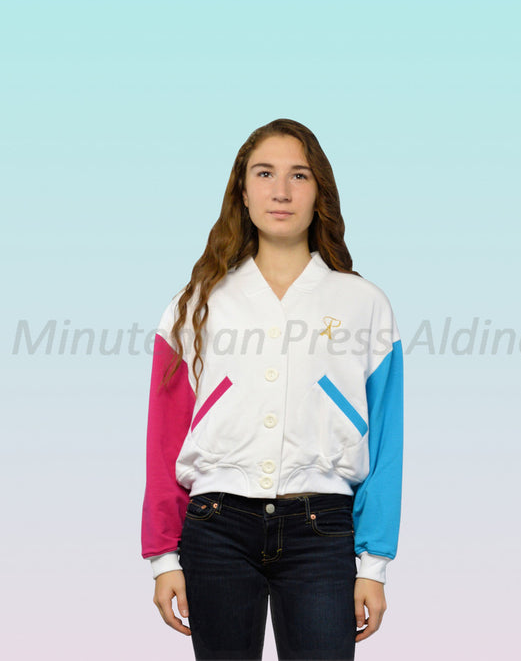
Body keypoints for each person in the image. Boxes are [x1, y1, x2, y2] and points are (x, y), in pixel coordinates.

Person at [140, 118, 404, 660]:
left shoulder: (364, 304)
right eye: (264, 174)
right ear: (242, 190)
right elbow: (163, 440)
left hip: (322, 530)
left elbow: (387, 443)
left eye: (298, 175)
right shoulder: (197, 304)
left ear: (319, 191)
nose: (281, 191)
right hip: (216, 528)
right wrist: (164, 558)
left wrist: (374, 566)